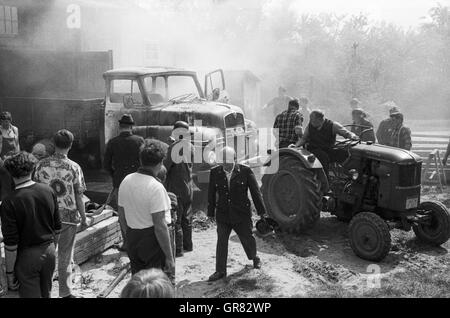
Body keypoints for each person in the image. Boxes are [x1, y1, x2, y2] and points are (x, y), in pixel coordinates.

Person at [34, 129, 87, 298]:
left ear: (53, 144)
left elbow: (33, 190)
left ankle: (45, 292)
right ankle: (65, 292)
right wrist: (84, 218)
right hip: (68, 219)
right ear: (70, 145)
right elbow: (79, 197)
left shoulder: (40, 165)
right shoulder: (74, 167)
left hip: (44, 216)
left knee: (45, 255)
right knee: (65, 255)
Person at [0, 152, 61, 298]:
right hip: (49, 250)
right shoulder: (48, 190)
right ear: (32, 168)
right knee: (47, 293)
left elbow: (11, 244)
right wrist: (53, 248)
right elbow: (58, 227)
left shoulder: (9, 201)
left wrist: (9, 273)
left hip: (27, 257)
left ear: (10, 173)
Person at [207, 147, 266, 282]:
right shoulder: (215, 172)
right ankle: (220, 271)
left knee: (247, 238)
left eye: (228, 162)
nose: (225, 166)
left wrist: (262, 212)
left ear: (234, 159)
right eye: (223, 162)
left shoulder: (245, 171)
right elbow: (211, 193)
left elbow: (256, 193)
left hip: (241, 214)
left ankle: (254, 257)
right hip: (223, 213)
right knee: (221, 241)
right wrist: (210, 212)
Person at [118, 139, 175, 277]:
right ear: (161, 163)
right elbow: (160, 226)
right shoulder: (156, 187)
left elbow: (121, 216)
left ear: (140, 160)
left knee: (138, 281)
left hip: (132, 238)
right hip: (152, 241)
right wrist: (169, 256)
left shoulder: (126, 180)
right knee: (154, 283)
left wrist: (130, 237)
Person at [103, 114, 144, 251]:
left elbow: (106, 165)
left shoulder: (113, 142)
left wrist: (115, 175)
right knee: (138, 211)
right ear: (131, 127)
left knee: (123, 213)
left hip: (120, 182)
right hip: (137, 181)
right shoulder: (139, 141)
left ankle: (127, 243)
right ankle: (139, 242)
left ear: (119, 126)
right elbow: (144, 161)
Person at [296, 110, 358, 178]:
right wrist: (296, 145)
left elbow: (347, 133)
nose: (311, 122)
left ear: (320, 119)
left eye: (313, 121)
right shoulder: (310, 126)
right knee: (323, 156)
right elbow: (304, 139)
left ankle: (349, 175)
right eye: (310, 120)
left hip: (328, 149)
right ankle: (325, 181)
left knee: (345, 153)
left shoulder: (333, 125)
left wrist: (353, 136)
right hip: (313, 150)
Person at [164, 121, 194, 257]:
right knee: (187, 218)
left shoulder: (174, 147)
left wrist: (171, 146)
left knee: (176, 220)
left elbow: (165, 167)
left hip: (176, 188)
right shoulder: (191, 146)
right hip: (188, 187)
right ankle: (189, 245)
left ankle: (178, 249)